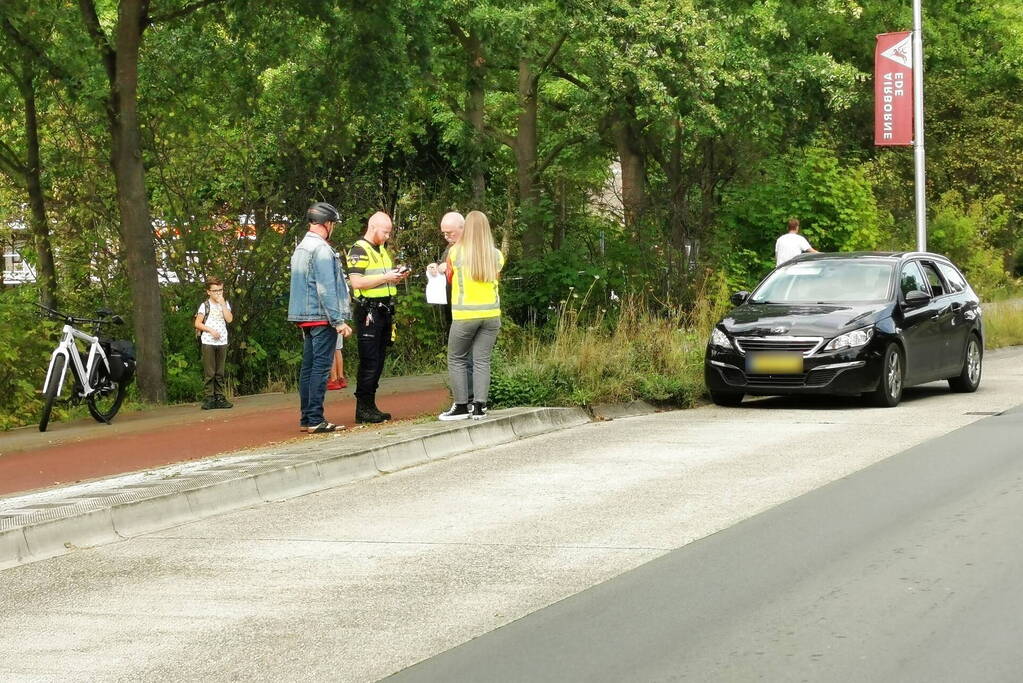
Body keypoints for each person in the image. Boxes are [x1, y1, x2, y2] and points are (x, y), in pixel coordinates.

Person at [287, 202, 353, 434]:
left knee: (308, 368)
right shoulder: (322, 249)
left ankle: (307, 418)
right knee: (321, 369)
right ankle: (316, 418)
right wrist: (338, 321)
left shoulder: (301, 247)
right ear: (327, 223)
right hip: (322, 316)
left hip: (304, 316)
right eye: (333, 223)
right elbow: (326, 288)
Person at [439, 210, 504, 421]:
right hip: (492, 315)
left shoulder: (455, 252)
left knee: (457, 358)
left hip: (465, 315)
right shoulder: (496, 255)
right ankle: (480, 406)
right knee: (482, 360)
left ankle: (460, 406)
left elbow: (449, 277)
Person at [347, 211, 411, 423]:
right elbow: (356, 282)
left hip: (384, 310)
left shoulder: (382, 250)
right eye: (385, 232)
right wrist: (386, 277)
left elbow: (381, 280)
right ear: (373, 227)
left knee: (379, 359)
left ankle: (370, 405)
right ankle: (363, 408)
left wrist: (396, 277)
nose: (387, 237)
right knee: (370, 360)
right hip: (369, 311)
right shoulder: (359, 249)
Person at [437, 211, 473, 403]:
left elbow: (471, 272)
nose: (447, 237)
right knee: (460, 356)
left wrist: (448, 268)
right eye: (444, 233)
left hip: (469, 310)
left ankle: (469, 398)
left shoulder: (473, 247)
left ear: (463, 228)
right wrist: (436, 268)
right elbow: (444, 266)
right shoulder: (450, 248)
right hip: (453, 308)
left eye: (450, 233)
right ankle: (464, 396)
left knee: (466, 357)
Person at [194, 276, 234, 410]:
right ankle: (209, 398)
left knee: (220, 371)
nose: (218, 293)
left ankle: (220, 397)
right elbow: (197, 323)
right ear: (208, 292)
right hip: (208, 341)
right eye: (215, 290)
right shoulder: (204, 305)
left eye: (220, 290)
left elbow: (229, 319)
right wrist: (210, 330)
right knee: (209, 372)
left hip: (222, 341)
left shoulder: (225, 304)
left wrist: (223, 304)